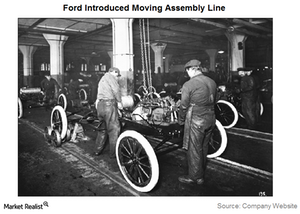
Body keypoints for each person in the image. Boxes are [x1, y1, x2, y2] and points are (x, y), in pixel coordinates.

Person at [178, 59, 217, 185]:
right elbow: (216, 100)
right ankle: (200, 173)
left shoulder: (189, 84)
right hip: (211, 117)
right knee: (203, 146)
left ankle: (195, 177)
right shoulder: (212, 82)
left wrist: (181, 120)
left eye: (187, 71)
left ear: (191, 70)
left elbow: (184, 106)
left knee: (194, 148)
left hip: (197, 118)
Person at [94, 67, 123, 158]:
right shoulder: (111, 78)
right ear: (113, 72)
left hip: (100, 105)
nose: (117, 77)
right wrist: (119, 102)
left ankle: (97, 150)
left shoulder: (102, 79)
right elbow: (116, 90)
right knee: (114, 129)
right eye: (117, 75)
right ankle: (114, 154)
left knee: (102, 129)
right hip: (109, 105)